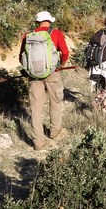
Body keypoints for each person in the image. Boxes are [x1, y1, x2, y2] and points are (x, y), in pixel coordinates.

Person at [18, 11, 69, 150]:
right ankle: (54, 132)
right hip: (53, 74)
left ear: (37, 22)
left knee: (35, 108)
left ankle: (38, 142)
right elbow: (65, 52)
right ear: (49, 21)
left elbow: (21, 58)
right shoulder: (56, 33)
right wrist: (61, 65)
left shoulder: (28, 35)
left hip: (34, 76)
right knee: (55, 102)